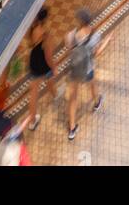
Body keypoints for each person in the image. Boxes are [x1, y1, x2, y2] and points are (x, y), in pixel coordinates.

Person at [63, 8, 103, 139]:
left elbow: (69, 50)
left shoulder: (71, 35)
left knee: (73, 98)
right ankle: (96, 102)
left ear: (79, 21)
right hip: (87, 69)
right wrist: (107, 41)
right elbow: (96, 53)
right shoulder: (95, 35)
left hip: (75, 69)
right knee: (92, 84)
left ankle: (72, 128)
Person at [26, 8, 56, 130]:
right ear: (46, 19)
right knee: (49, 77)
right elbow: (48, 56)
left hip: (33, 59)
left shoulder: (32, 29)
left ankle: (32, 121)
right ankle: (55, 95)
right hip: (42, 62)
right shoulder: (45, 33)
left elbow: (31, 44)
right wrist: (54, 67)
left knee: (33, 92)